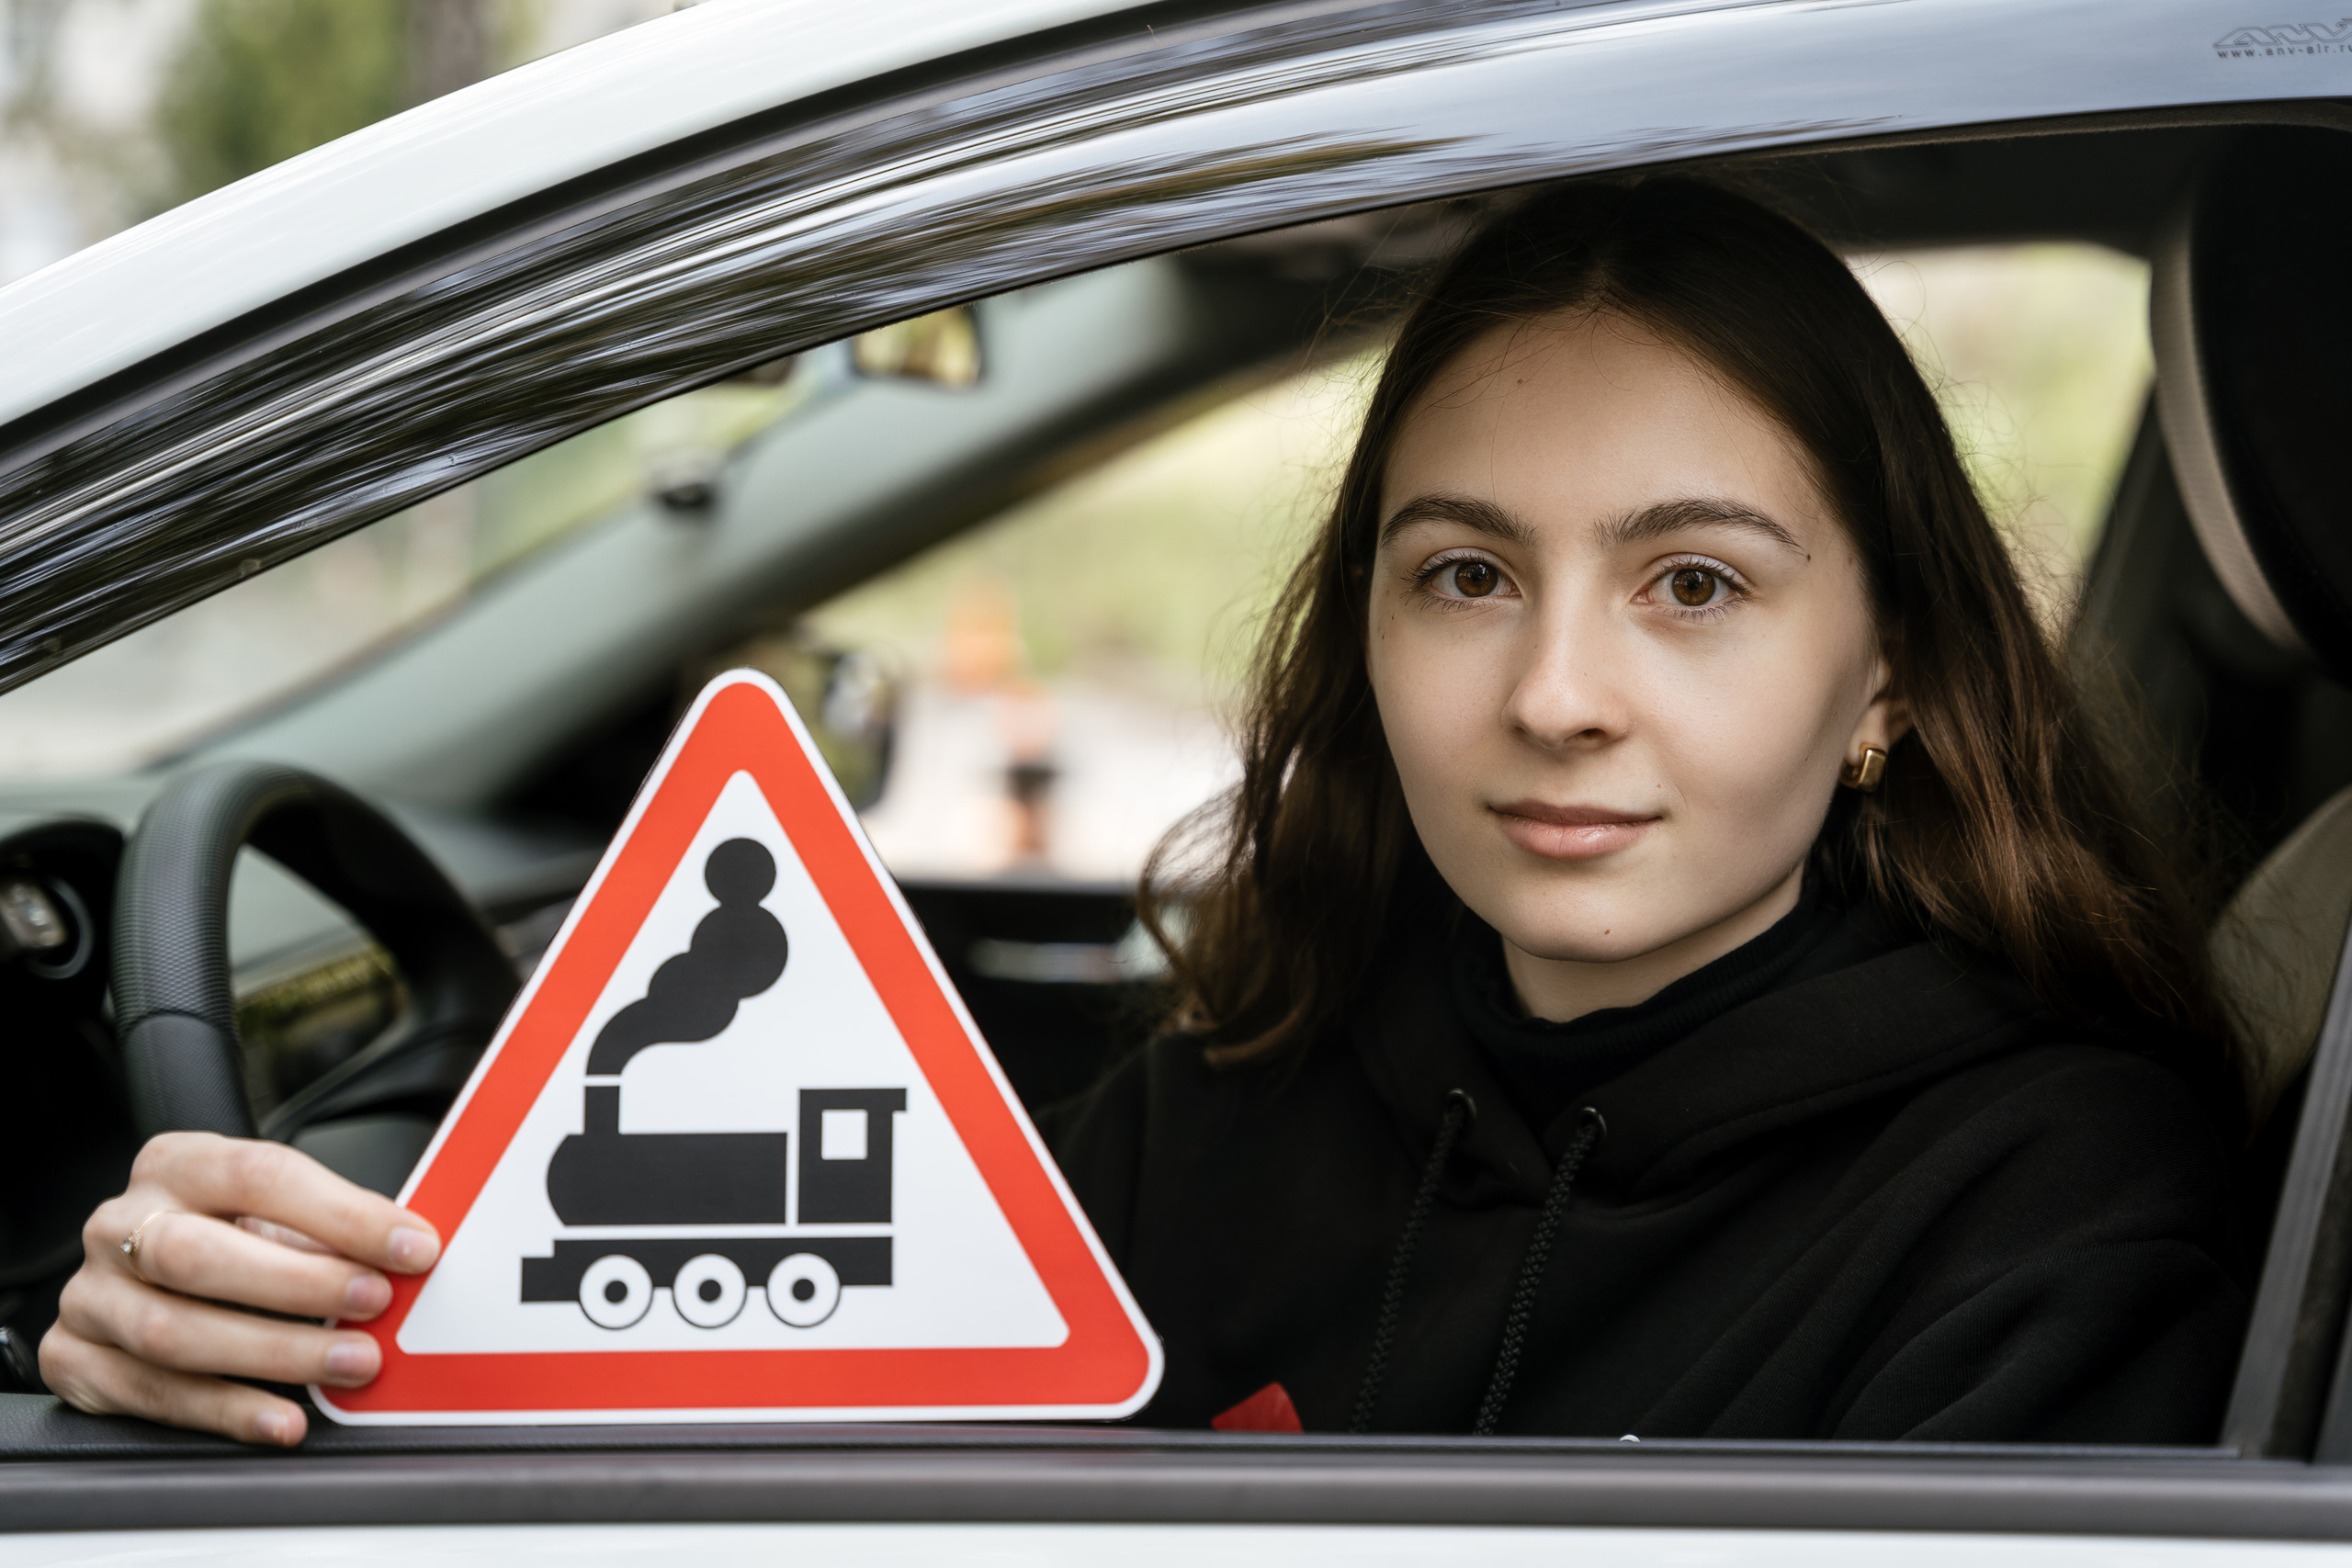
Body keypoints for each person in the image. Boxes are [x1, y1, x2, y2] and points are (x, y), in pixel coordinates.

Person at [42, 177, 2247, 1447]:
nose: (1555, 694)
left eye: (1692, 584)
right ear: (1364, 636)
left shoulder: (2054, 1198)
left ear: (1884, 673)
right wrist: (258, 1336)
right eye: (1463, 573)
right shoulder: (1227, 1101)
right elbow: (727, 1414)